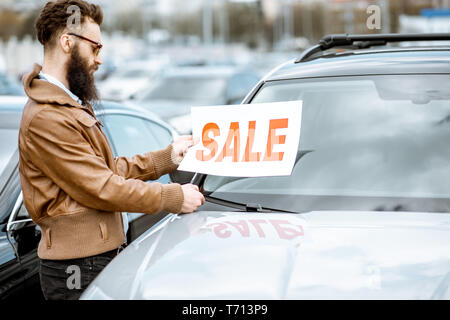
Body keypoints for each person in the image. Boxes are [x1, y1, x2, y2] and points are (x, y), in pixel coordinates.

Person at [18, 0, 205, 300]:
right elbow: (101, 187)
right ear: (67, 42)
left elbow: (103, 170)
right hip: (75, 269)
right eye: (95, 48)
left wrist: (166, 158)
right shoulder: (47, 117)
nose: (99, 59)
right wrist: (172, 197)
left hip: (94, 260)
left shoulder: (67, 104)